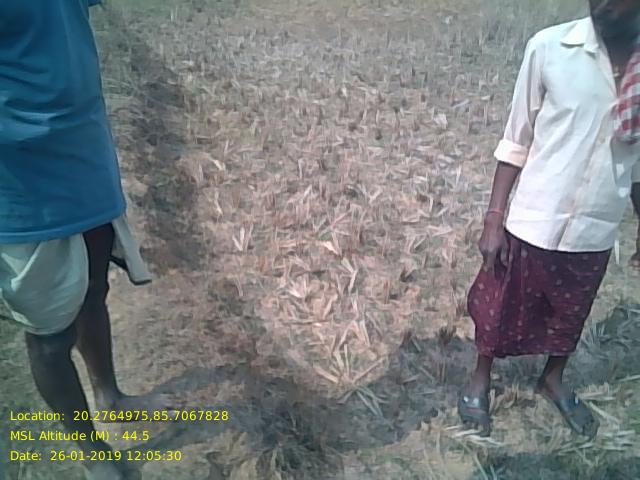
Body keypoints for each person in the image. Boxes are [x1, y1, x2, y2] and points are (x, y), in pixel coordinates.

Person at [0, 1, 174, 478]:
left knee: (95, 292)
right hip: (21, 184)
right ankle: (90, 449)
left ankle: (111, 396)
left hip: (85, 156)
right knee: (49, 335)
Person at [458, 0, 640, 439]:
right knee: (501, 306)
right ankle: (480, 378)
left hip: (596, 223)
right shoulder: (551, 47)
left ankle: (552, 378)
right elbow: (516, 139)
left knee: (570, 312)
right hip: (536, 215)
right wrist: (494, 218)